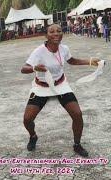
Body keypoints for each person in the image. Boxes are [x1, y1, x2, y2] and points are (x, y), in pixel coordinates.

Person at [21, 24, 101, 157]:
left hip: (60, 85)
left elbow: (72, 61)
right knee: (27, 119)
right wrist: (35, 68)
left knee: (77, 114)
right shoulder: (39, 51)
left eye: (59, 31)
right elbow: (23, 69)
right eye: (52, 32)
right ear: (46, 36)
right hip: (42, 87)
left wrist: (90, 61)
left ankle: (77, 144)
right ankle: (33, 136)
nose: (56, 33)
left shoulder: (64, 49)